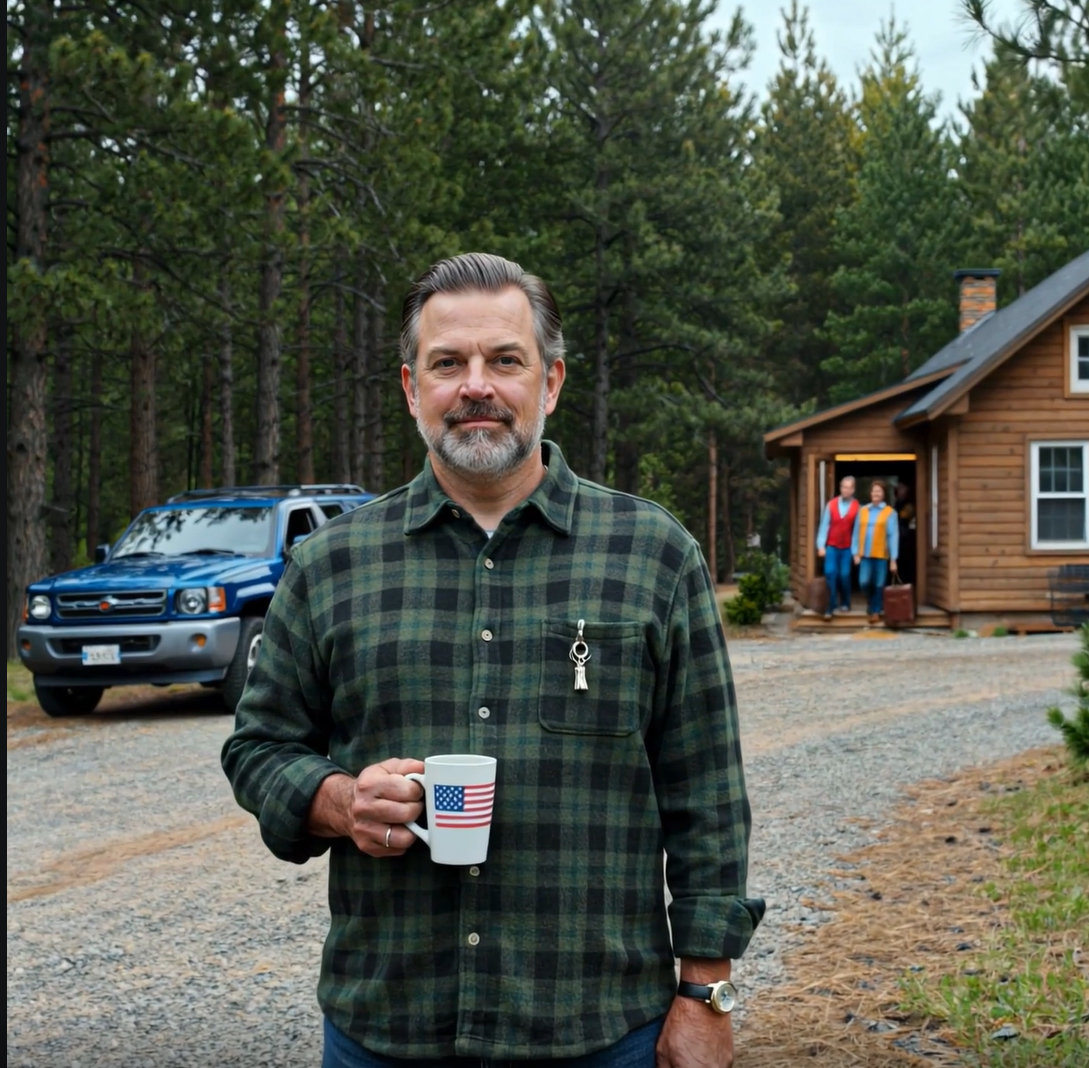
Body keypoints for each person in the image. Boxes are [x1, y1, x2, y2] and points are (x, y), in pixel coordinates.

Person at [221, 253, 763, 1068]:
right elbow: (257, 748)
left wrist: (705, 994)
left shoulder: (653, 555)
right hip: (386, 1026)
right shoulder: (331, 564)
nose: (476, 385)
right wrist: (336, 801)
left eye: (505, 360)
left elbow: (706, 795)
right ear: (412, 388)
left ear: (549, 384)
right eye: (448, 364)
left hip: (600, 1028)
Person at [852, 480, 899, 625]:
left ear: (883, 494)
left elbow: (893, 536)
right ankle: (872, 603)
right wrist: (855, 553)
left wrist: (893, 559)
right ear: (870, 493)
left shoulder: (890, 513)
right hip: (864, 554)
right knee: (864, 582)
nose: (876, 493)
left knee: (879, 584)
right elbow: (856, 532)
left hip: (881, 554)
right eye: (874, 491)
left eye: (879, 491)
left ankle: (875, 611)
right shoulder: (863, 511)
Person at [815, 475, 859, 621]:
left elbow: (857, 532)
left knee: (844, 575)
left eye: (849, 488)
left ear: (853, 490)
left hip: (847, 548)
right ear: (840, 488)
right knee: (830, 573)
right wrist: (821, 546)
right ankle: (830, 606)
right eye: (843, 487)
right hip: (832, 546)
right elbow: (824, 526)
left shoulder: (857, 507)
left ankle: (845, 602)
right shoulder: (831, 505)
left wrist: (856, 552)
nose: (845, 490)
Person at [894, 481, 916, 587]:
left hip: (906, 539)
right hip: (897, 538)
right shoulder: (897, 504)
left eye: (902, 489)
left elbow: (904, 519)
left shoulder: (909, 505)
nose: (900, 491)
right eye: (898, 489)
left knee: (906, 563)